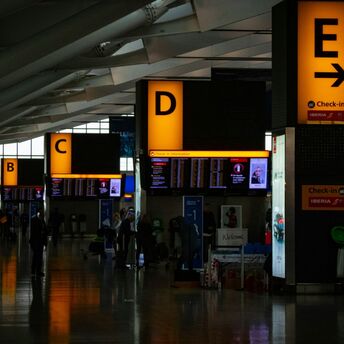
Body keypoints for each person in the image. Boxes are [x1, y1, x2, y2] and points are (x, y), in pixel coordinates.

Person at [29, 209, 48, 277]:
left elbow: (45, 230)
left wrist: (45, 241)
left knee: (36, 256)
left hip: (40, 240)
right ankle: (37, 271)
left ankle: (34, 270)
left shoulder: (41, 220)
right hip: (36, 240)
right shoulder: (35, 220)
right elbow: (34, 231)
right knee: (38, 256)